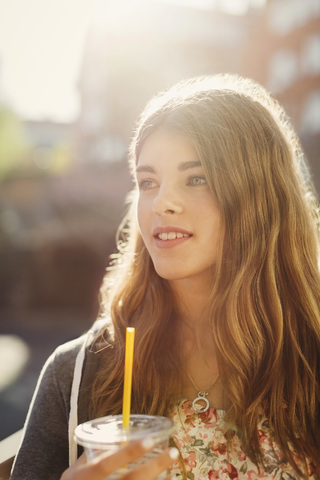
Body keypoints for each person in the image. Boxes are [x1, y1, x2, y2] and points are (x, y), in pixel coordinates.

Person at [10, 74, 320, 480]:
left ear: (261, 195)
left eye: (197, 178)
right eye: (148, 182)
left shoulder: (309, 355)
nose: (162, 202)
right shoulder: (77, 373)